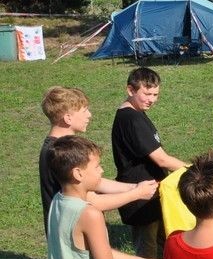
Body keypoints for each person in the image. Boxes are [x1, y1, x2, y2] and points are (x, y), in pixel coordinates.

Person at [110, 67, 186, 259]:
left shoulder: (138, 114)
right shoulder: (130, 119)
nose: (152, 99)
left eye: (156, 94)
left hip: (155, 193)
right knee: (147, 250)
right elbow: (161, 158)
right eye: (147, 93)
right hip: (140, 197)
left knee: (170, 242)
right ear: (130, 90)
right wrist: (193, 170)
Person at [39, 86, 157, 234]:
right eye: (84, 111)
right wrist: (137, 194)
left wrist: (134, 187)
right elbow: (93, 201)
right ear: (68, 118)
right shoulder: (65, 154)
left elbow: (97, 182)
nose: (89, 115)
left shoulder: (57, 146)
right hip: (73, 234)